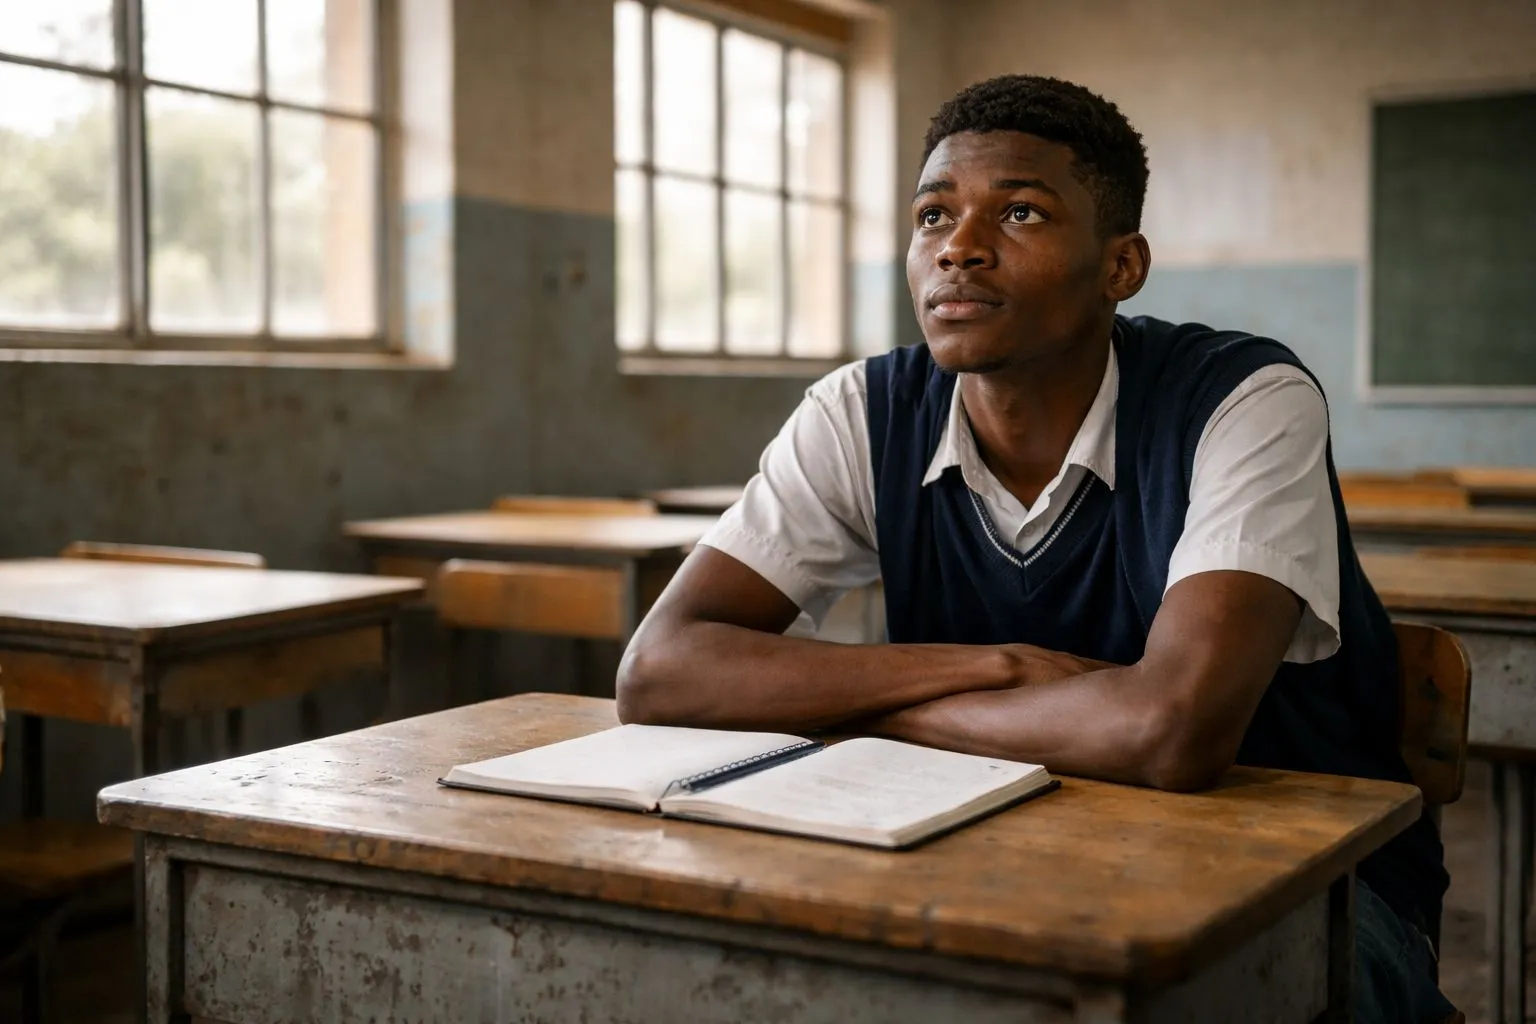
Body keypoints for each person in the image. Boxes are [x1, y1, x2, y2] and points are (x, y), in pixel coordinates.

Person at [616, 74, 1455, 1023]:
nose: (959, 248)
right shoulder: (862, 411)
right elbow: (660, 673)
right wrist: (999, 666)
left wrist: (854, 709)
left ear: (1121, 266)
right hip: (982, 847)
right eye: (934, 216)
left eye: (1019, 212)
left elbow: (1169, 733)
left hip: (1313, 886)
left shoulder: (1242, 399)